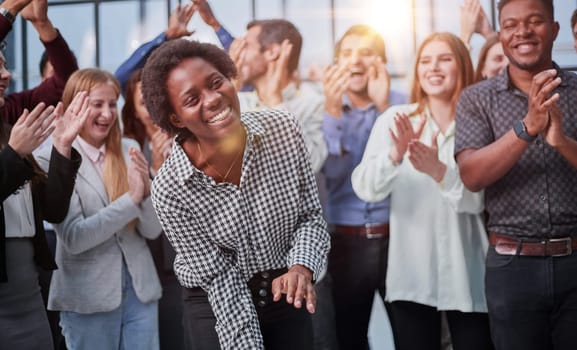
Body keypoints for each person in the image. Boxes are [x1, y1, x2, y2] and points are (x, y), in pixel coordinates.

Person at [141, 39, 330, 350]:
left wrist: (301, 266)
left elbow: (309, 217)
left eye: (217, 82)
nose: (213, 99)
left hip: (284, 287)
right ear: (175, 118)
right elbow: (220, 280)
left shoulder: (283, 130)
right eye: (191, 99)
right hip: (214, 300)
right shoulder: (171, 188)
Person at [351, 31, 492, 350]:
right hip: (412, 275)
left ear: (463, 66)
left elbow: (478, 202)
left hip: (468, 271)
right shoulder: (395, 120)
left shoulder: (480, 123)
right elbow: (365, 188)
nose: (434, 68)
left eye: (445, 59)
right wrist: (394, 155)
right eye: (426, 61)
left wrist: (439, 171)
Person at [455, 0, 577, 348]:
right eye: (510, 25)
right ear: (501, 35)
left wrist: (561, 141)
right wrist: (527, 128)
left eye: (535, 21)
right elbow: (471, 175)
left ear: (554, 30)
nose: (522, 32)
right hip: (511, 269)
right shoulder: (476, 99)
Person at [35, 68, 163, 350]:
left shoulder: (129, 149)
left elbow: (152, 231)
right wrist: (131, 200)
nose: (107, 114)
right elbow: (74, 238)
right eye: (97, 104)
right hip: (87, 299)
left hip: (140, 294)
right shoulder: (51, 160)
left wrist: (148, 194)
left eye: (112, 104)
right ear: (75, 107)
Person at [320, 24, 406, 350]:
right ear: (337, 63)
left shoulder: (404, 104)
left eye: (366, 53)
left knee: (412, 333)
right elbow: (332, 175)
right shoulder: (323, 110)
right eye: (347, 54)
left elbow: (409, 171)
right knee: (349, 338)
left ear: (381, 62)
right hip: (345, 242)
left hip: (398, 238)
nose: (356, 60)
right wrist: (331, 112)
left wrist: (385, 111)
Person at [0, 85, 87, 349]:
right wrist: (14, 153)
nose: (6, 74)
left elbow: (53, 211)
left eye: (4, 64)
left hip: (30, 298)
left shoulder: (11, 131)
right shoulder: (15, 142)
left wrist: (61, 146)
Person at [226, 19, 327, 173]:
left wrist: (275, 101)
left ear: (272, 52)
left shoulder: (313, 105)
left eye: (246, 46)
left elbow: (311, 165)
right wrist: (229, 91)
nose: (238, 53)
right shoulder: (239, 101)